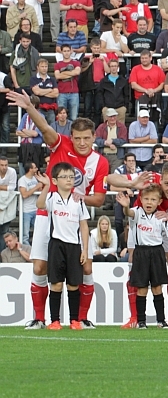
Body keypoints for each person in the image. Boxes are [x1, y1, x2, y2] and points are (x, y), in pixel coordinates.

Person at [8, 90, 109, 330]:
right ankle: (40, 319)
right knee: (40, 267)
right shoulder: (60, 144)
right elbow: (44, 128)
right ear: (71, 137)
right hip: (48, 214)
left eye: (87, 138)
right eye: (77, 138)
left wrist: (81, 197)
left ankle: (81, 318)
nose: (82, 143)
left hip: (76, 217)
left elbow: (99, 198)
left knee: (85, 267)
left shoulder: (100, 162)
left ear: (94, 137)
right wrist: (30, 108)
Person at [36, 161, 90, 330]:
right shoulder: (52, 198)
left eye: (71, 177)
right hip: (56, 245)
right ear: (55, 180)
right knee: (56, 284)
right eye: (64, 177)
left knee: (73, 284)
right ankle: (55, 321)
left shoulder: (78, 201)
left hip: (74, 246)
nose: (68, 180)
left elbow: (84, 226)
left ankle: (74, 320)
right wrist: (45, 187)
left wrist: (85, 249)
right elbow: (39, 205)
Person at [118, 183, 168, 329]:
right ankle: (141, 321)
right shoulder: (137, 213)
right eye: (146, 199)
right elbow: (128, 213)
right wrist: (125, 206)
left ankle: (161, 321)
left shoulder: (161, 217)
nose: (149, 202)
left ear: (159, 202)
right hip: (141, 253)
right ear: (141, 199)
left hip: (157, 253)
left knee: (157, 288)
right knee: (141, 289)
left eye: (153, 200)